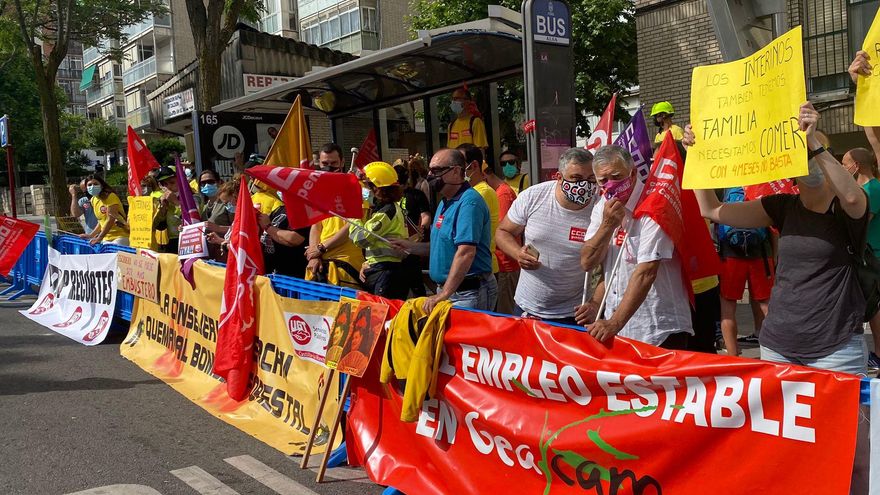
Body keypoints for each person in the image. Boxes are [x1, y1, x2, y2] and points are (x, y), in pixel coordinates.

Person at [689, 102, 870, 491]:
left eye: (813, 152)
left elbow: (855, 199)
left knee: (852, 453)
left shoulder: (847, 210)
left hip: (836, 346)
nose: (806, 161)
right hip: (779, 347)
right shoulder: (781, 207)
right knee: (788, 449)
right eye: (800, 153)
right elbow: (712, 209)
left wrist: (814, 144)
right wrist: (697, 154)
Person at [580, 145, 693, 347]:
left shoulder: (655, 205)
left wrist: (614, 323)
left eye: (616, 176)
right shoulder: (602, 207)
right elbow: (588, 262)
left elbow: (646, 272)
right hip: (620, 329)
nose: (611, 185)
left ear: (632, 173)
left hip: (658, 329)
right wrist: (607, 226)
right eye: (604, 180)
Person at [496, 148, 596, 324]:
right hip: (528, 308)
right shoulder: (533, 196)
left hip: (575, 313)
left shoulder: (599, 207)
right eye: (576, 179)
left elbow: (609, 266)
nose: (584, 186)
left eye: (590, 179)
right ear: (559, 177)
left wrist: (595, 304)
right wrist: (518, 253)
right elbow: (503, 232)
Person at [391, 148, 495, 313]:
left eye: (437, 170)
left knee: (466, 340)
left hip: (468, 293)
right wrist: (408, 246)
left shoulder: (469, 202)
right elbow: (439, 246)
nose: (431, 175)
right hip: (451, 292)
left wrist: (445, 293)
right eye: (430, 169)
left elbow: (466, 252)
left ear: (456, 171)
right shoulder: (444, 203)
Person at [714, 187, 775, 356]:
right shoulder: (761, 183)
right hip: (761, 253)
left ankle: (733, 358)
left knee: (727, 308)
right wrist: (774, 256)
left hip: (730, 254)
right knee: (767, 305)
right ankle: (774, 355)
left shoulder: (725, 184)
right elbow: (772, 226)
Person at [305, 143, 365, 289]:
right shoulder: (318, 190)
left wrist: (321, 248)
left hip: (348, 265)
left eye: (333, 163)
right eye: (325, 163)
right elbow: (316, 225)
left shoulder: (357, 188)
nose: (329, 167)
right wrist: (315, 255)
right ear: (319, 163)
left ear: (343, 162)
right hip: (320, 263)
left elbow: (353, 226)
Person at [348, 161, 409, 299]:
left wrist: (353, 215)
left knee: (384, 316)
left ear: (378, 188)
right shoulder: (388, 209)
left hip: (386, 273)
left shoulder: (386, 212)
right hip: (384, 270)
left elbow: (361, 239)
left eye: (367, 185)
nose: (364, 189)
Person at [845, 147, 880, 370]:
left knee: (874, 307)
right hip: (863, 255)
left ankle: (877, 354)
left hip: (873, 255)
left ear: (856, 165)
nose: (842, 167)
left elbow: (861, 221)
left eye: (844, 163)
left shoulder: (874, 188)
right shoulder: (861, 188)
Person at [484, 158, 520, 314]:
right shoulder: (499, 192)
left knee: (505, 314)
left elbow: (502, 231)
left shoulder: (502, 194)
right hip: (502, 263)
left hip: (505, 264)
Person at [458, 144, 499, 276]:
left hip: (480, 269)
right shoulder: (469, 192)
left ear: (474, 166)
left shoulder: (481, 193)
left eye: (459, 164)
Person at [395, 163, 430, 297]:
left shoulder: (416, 194)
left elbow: (425, 215)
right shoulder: (388, 197)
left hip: (412, 242)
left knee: (416, 284)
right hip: (394, 245)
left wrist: (422, 228)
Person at [258, 205, 310, 278]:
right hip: (270, 273)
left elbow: (294, 239)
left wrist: (268, 227)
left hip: (290, 276)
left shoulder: (303, 211)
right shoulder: (279, 209)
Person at [78, 175, 129, 246]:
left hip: (120, 236)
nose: (92, 186)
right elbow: (101, 221)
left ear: (101, 186)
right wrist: (91, 235)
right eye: (89, 185)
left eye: (95, 184)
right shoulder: (93, 200)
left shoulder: (110, 196)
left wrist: (99, 237)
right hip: (106, 238)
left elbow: (111, 219)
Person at [153, 166, 183, 253]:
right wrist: (163, 209)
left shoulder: (192, 196)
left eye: (172, 182)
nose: (168, 187)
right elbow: (157, 226)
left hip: (189, 239)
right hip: (171, 241)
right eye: (164, 184)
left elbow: (193, 219)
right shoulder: (162, 199)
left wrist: (176, 202)